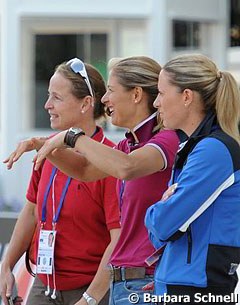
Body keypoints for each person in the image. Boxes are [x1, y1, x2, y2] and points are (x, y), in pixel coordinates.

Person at [16, 56, 181, 305]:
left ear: (136, 95)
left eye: (111, 91)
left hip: (146, 280)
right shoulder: (129, 143)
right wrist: (45, 145)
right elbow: (84, 170)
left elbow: (126, 168)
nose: (104, 99)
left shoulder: (165, 140)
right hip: (124, 280)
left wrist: (72, 138)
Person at [0, 58, 121, 305]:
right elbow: (32, 210)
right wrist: (7, 264)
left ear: (86, 103)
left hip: (89, 290)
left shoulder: (110, 160)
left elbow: (117, 238)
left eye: (57, 97)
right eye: (48, 96)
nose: (46, 105)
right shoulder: (47, 150)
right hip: (45, 284)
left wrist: (90, 298)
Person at [144, 53, 240, 304]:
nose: (156, 103)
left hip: (196, 288)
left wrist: (156, 210)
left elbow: (164, 225)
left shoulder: (213, 151)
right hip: (181, 283)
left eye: (162, 93)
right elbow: (159, 235)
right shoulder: (192, 147)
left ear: (186, 97)